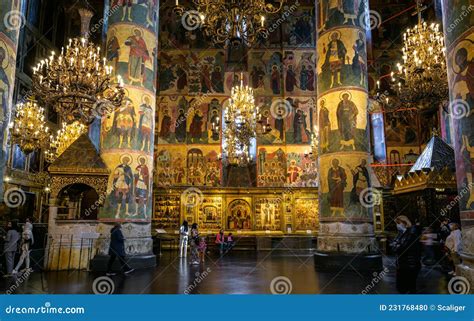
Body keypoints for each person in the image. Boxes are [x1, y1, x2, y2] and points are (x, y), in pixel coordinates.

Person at [392, 215, 421, 294]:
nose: (397, 225)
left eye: (398, 223)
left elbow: (402, 248)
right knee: (402, 288)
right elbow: (393, 247)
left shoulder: (411, 233)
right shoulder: (402, 233)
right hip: (402, 264)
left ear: (404, 223)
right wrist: (396, 246)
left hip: (410, 265)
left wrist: (397, 246)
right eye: (396, 223)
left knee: (409, 288)